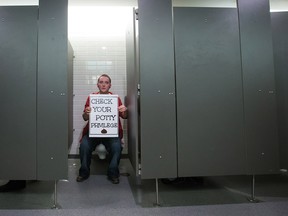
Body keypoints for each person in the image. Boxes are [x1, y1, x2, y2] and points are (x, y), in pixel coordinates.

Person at [76, 74, 128, 184]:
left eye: (106, 82)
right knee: (84, 146)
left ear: (110, 85)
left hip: (111, 133)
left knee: (116, 146)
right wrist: (87, 113)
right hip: (93, 132)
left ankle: (113, 173)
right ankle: (84, 172)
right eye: (101, 82)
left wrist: (124, 110)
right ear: (97, 84)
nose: (104, 84)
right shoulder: (92, 98)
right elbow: (85, 118)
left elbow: (124, 116)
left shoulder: (115, 99)